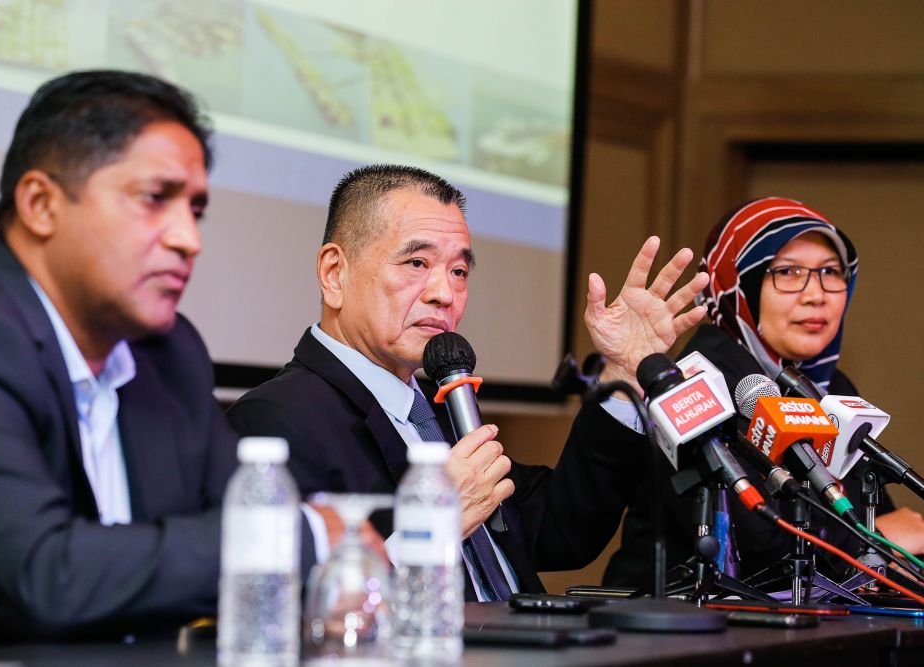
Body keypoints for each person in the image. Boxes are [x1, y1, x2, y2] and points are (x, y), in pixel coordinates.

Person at [0, 70, 324, 642]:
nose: (189, 239)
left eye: (196, 210)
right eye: (154, 199)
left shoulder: (170, 353)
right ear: (40, 204)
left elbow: (242, 524)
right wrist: (307, 534)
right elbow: (45, 576)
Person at [227, 164, 710, 600]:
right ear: (335, 273)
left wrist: (623, 373)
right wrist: (430, 525)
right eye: (416, 263)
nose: (444, 293)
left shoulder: (443, 411)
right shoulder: (275, 419)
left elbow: (563, 531)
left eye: (458, 271)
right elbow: (285, 607)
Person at [603, 196, 924, 586]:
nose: (816, 293)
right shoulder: (697, 381)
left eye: (832, 272)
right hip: (674, 626)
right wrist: (879, 542)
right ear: (741, 284)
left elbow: (870, 508)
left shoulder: (831, 387)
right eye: (788, 272)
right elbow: (759, 543)